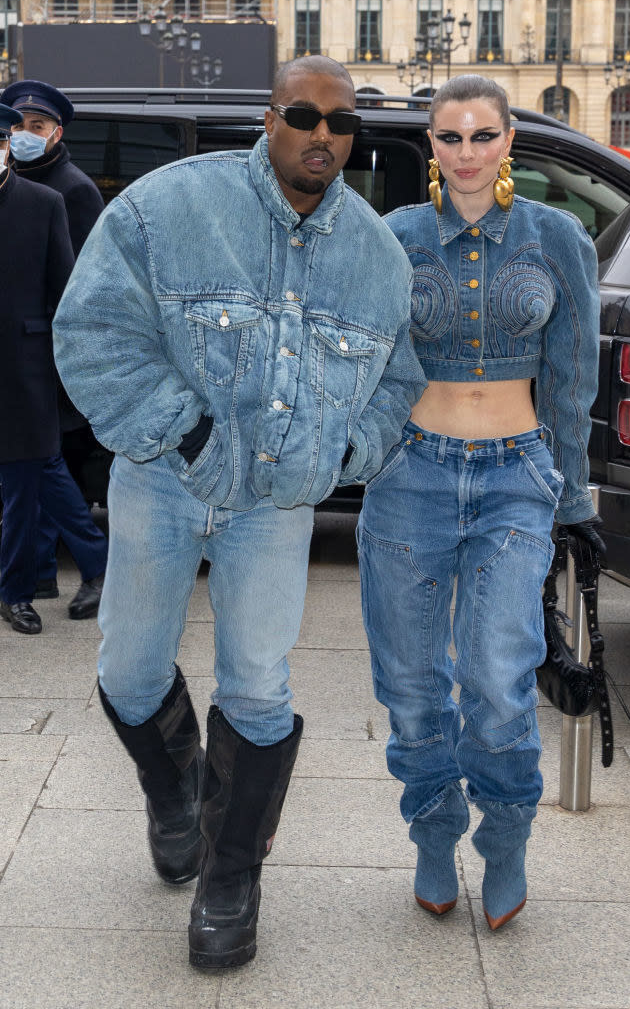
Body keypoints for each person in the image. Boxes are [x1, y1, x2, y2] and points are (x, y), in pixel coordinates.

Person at [52, 55, 426, 969]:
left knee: (258, 683)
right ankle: (176, 794)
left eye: (342, 124)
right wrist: (183, 438)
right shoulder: (167, 207)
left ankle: (231, 880)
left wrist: (340, 458)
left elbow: (398, 386)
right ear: (269, 119)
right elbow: (94, 332)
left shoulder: (376, 255)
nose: (323, 136)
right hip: (159, 483)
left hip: (276, 507)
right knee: (132, 672)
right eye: (305, 116)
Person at [357, 74, 605, 932]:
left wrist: (572, 493)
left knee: (500, 679)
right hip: (410, 477)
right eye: (450, 137)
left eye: (482, 136)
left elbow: (574, 376)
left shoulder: (556, 235)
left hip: (514, 479)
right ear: (432, 145)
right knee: (413, 683)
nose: (466, 153)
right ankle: (433, 834)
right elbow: (367, 357)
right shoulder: (393, 235)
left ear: (509, 142)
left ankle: (505, 842)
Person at [1, 79, 107, 617]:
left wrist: (68, 358)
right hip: (21, 360)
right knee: (35, 469)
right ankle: (41, 574)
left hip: (42, 360)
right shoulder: (17, 182)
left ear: (57, 132)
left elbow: (77, 285)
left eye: (35, 127)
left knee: (42, 465)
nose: (22, 136)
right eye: (15, 126)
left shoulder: (70, 190)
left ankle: (89, 568)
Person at [0, 103, 76, 635]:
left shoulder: (43, 203)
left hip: (23, 373)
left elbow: (63, 296)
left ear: (5, 142)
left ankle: (17, 593)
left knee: (23, 495)